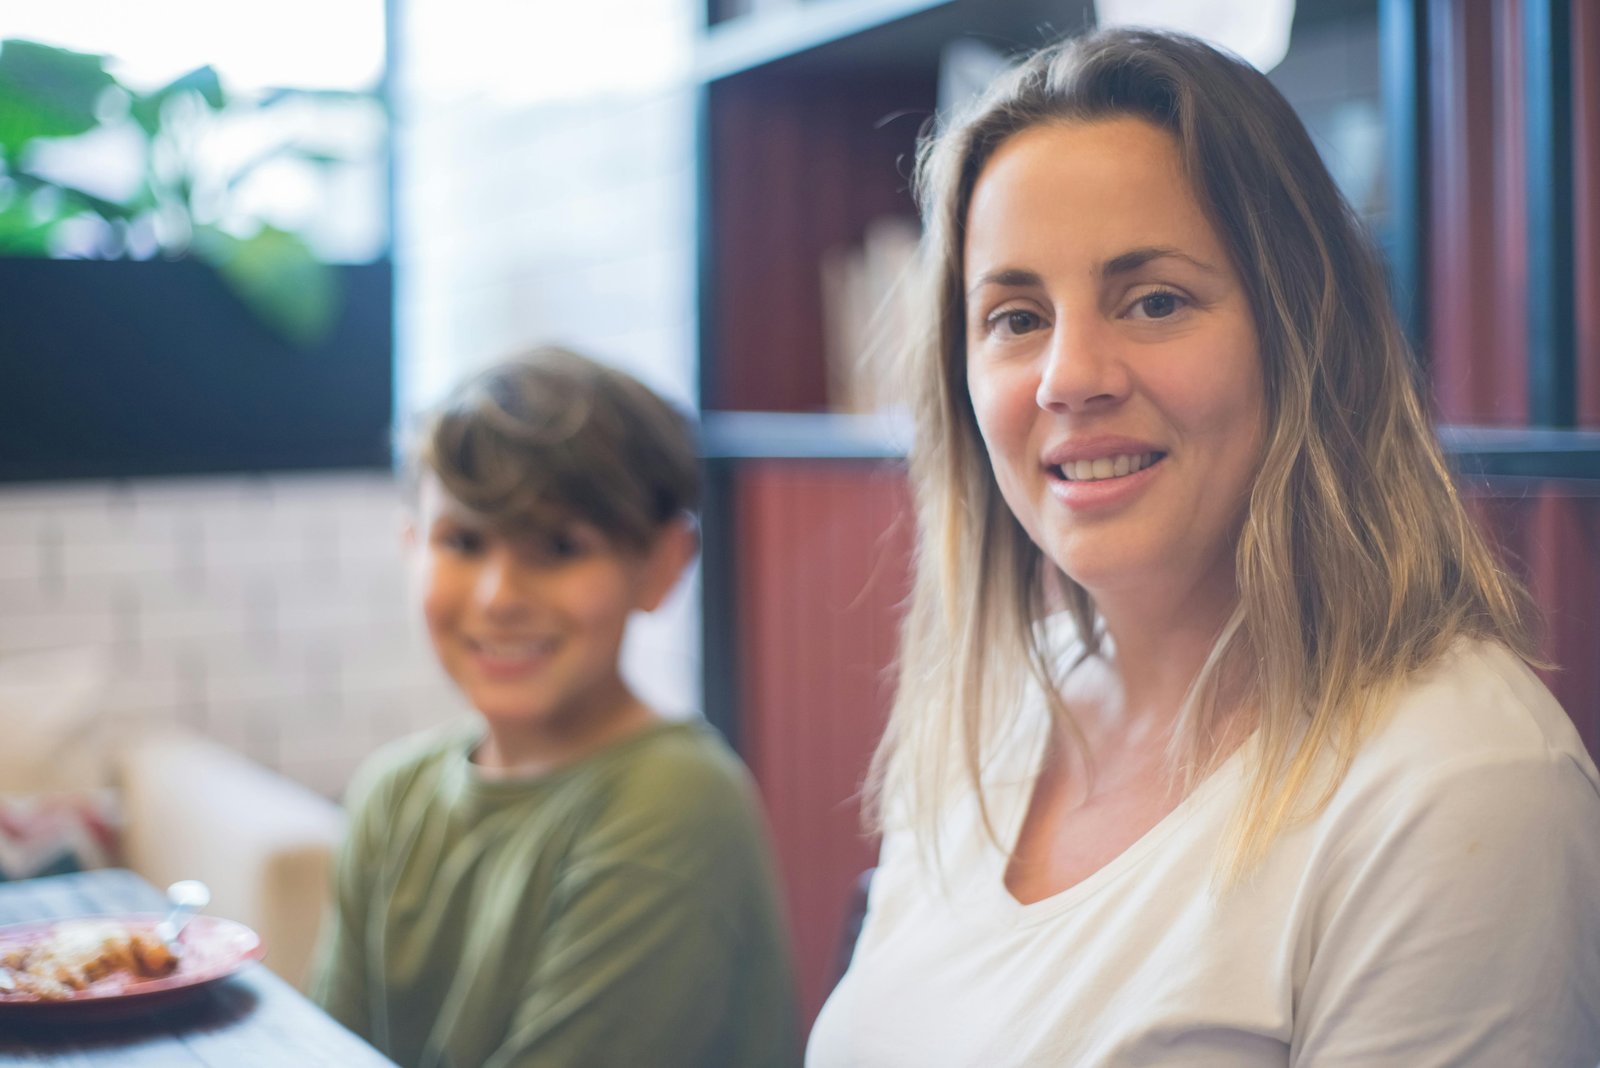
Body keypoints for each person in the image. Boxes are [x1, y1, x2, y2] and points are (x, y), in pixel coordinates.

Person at [807, 28, 1600, 1067]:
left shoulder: (1457, 779)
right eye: (1015, 316)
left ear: (1302, 337)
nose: (1068, 377)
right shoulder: (996, 710)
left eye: (1155, 301)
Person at [312, 347, 799, 1068]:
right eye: (464, 541)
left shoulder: (676, 800)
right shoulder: (392, 796)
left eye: (559, 547)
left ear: (663, 564)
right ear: (412, 548)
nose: (499, 597)